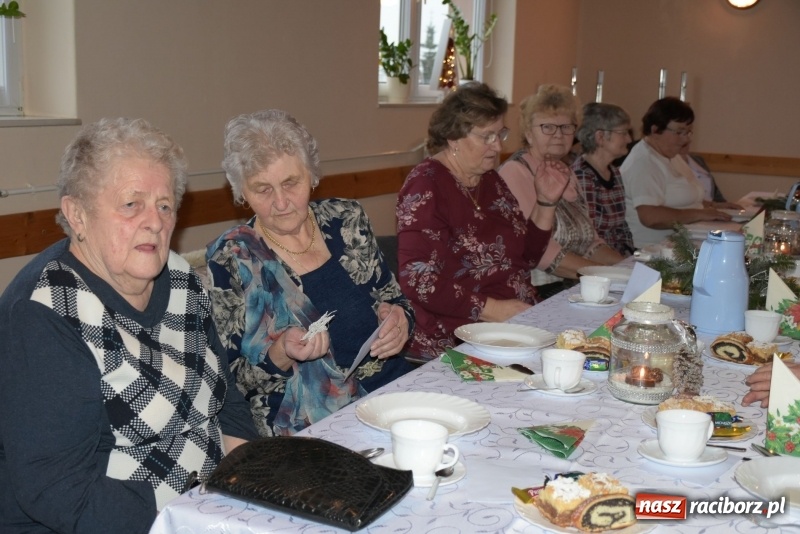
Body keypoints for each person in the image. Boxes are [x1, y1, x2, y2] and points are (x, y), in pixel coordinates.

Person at [0, 118, 257, 533]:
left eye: (164, 205)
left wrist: (250, 496)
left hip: (207, 509)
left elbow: (227, 408)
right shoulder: (44, 312)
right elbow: (60, 489)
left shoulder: (180, 278)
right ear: (77, 214)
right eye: (131, 204)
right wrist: (188, 523)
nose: (154, 222)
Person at [206, 109, 414, 437]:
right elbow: (231, 381)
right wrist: (280, 353)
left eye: (291, 183)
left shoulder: (346, 219)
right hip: (310, 425)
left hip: (392, 392)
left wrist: (401, 320)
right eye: (262, 189)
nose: (281, 202)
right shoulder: (232, 257)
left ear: (312, 175)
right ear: (242, 193)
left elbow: (393, 297)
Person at [396, 82, 567, 361]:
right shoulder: (426, 185)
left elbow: (527, 257)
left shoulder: (490, 180)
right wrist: (494, 309)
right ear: (454, 137)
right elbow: (419, 280)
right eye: (487, 136)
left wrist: (546, 202)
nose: (498, 146)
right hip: (457, 336)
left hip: (516, 324)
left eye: (500, 134)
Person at [499, 84, 625, 284]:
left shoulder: (567, 172)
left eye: (566, 127)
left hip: (576, 283)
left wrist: (626, 267)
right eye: (547, 127)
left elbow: (591, 244)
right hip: (536, 290)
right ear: (528, 133)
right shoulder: (515, 172)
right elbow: (543, 254)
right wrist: (606, 275)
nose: (559, 135)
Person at [620, 97, 733, 248]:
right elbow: (650, 217)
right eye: (679, 132)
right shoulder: (644, 162)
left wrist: (715, 207)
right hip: (653, 250)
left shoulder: (672, 156)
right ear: (655, 130)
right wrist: (700, 214)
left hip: (681, 242)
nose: (686, 139)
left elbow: (683, 199)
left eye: (688, 132)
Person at [572, 102, 635, 256]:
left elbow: (622, 227)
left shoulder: (614, 172)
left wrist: (629, 255)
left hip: (616, 257)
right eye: (623, 133)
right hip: (597, 261)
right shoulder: (582, 176)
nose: (629, 139)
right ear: (600, 137)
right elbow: (587, 238)